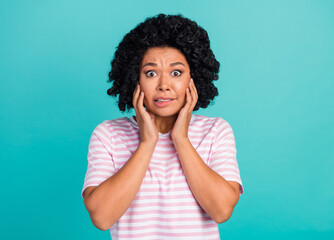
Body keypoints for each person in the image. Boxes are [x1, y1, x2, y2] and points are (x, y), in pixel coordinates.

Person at [81, 13, 244, 239]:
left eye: (176, 73)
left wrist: (181, 139)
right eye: (151, 73)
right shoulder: (109, 135)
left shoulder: (215, 131)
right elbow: (101, 217)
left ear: (193, 78)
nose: (164, 85)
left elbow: (221, 210)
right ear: (135, 79)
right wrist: (148, 143)